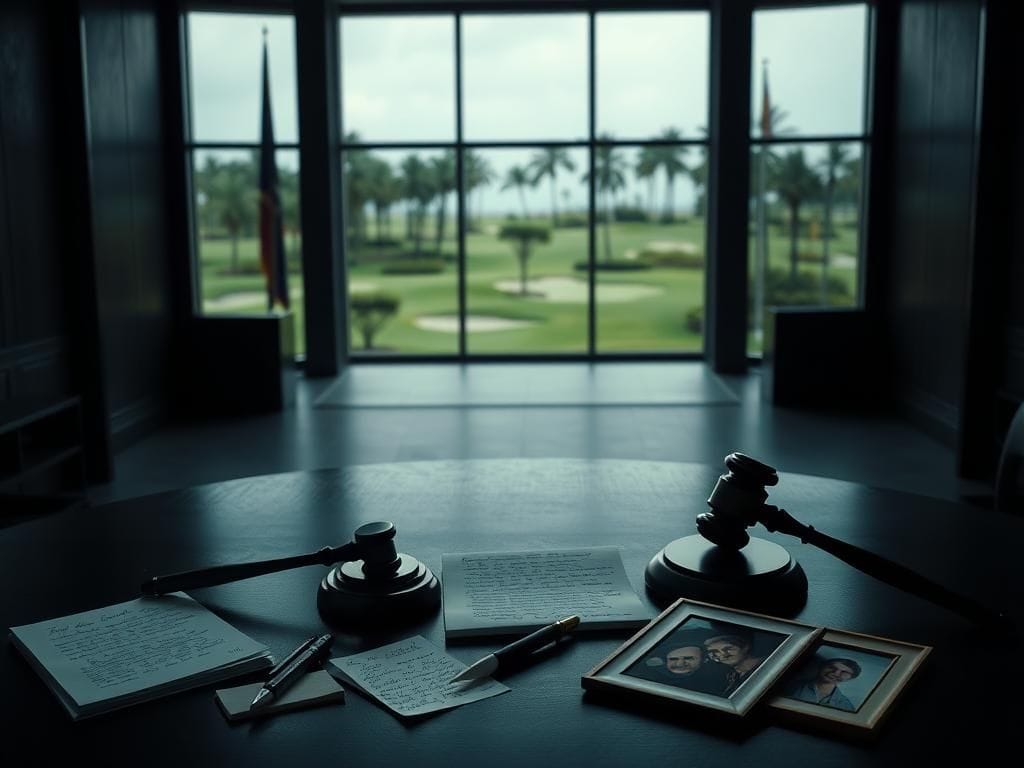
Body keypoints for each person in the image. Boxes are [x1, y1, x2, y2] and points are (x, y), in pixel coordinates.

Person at [785, 657, 861, 711]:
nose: (836, 673)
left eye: (844, 672)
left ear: (850, 678)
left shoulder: (846, 705)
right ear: (821, 667)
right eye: (831, 667)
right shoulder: (790, 686)